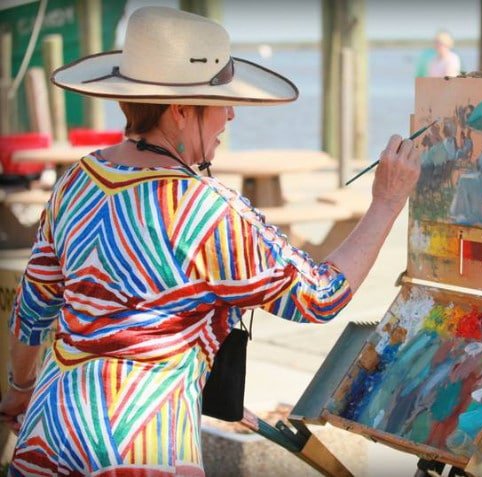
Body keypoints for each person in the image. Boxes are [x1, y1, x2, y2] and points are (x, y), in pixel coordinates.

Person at [0, 7, 420, 476]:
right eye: (221, 101)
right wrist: (386, 202)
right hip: (139, 443)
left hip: (48, 427)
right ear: (181, 111)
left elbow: (33, 304)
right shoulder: (206, 212)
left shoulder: (76, 180)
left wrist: (19, 388)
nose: (232, 114)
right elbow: (320, 296)